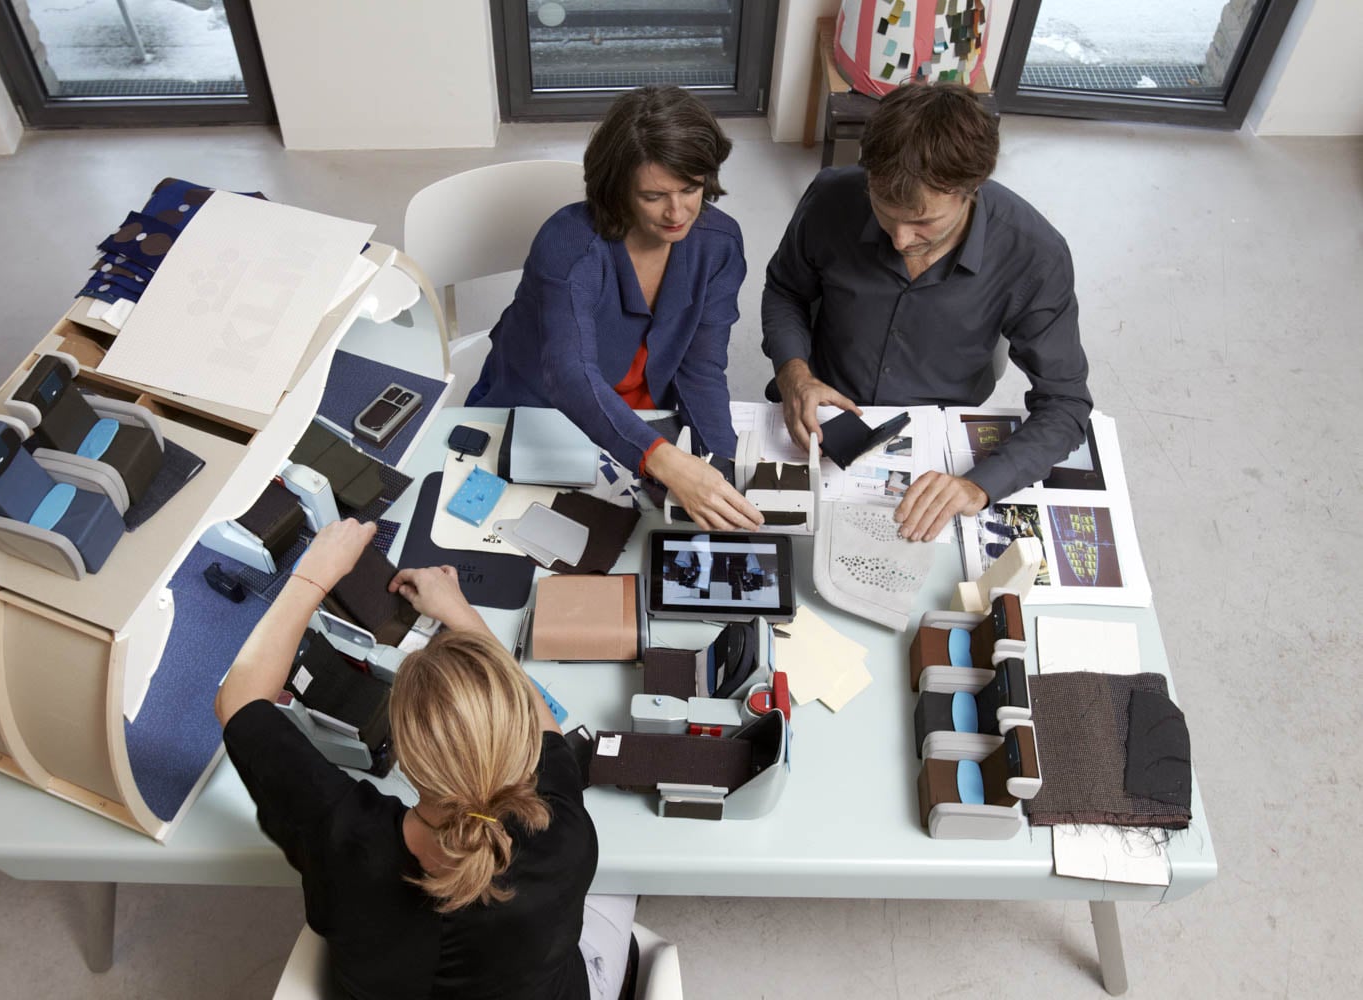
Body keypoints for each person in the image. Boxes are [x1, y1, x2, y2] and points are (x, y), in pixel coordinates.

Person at [215, 518, 634, 999]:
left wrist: (314, 574)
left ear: (410, 762)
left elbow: (239, 702)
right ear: (519, 743)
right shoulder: (562, 833)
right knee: (625, 885)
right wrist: (461, 612)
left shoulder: (342, 837)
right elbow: (546, 730)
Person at [761, 81, 1092, 542]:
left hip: (938, 440)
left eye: (923, 222)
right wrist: (794, 373)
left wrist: (979, 485)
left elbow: (1066, 402)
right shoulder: (831, 197)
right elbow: (785, 290)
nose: (899, 240)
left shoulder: (1034, 252)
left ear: (972, 189)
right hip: (824, 412)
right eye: (883, 211)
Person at [467, 84, 762, 532]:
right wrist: (667, 462)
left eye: (691, 188)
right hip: (541, 407)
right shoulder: (567, 244)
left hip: (640, 416)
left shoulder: (718, 245)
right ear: (617, 187)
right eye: (653, 196)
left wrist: (720, 471)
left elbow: (700, 368)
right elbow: (569, 375)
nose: (677, 212)